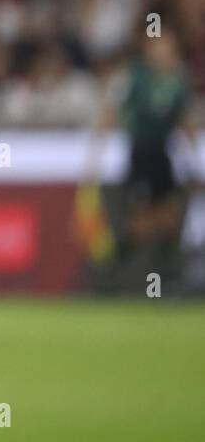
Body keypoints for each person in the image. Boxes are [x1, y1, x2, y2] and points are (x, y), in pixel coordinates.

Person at [84, 27, 201, 290]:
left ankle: (163, 277)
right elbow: (111, 113)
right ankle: (123, 271)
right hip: (140, 152)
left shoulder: (177, 81)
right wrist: (94, 155)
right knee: (140, 219)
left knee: (169, 219)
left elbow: (185, 123)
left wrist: (195, 161)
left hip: (163, 155)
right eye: (160, 48)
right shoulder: (135, 78)